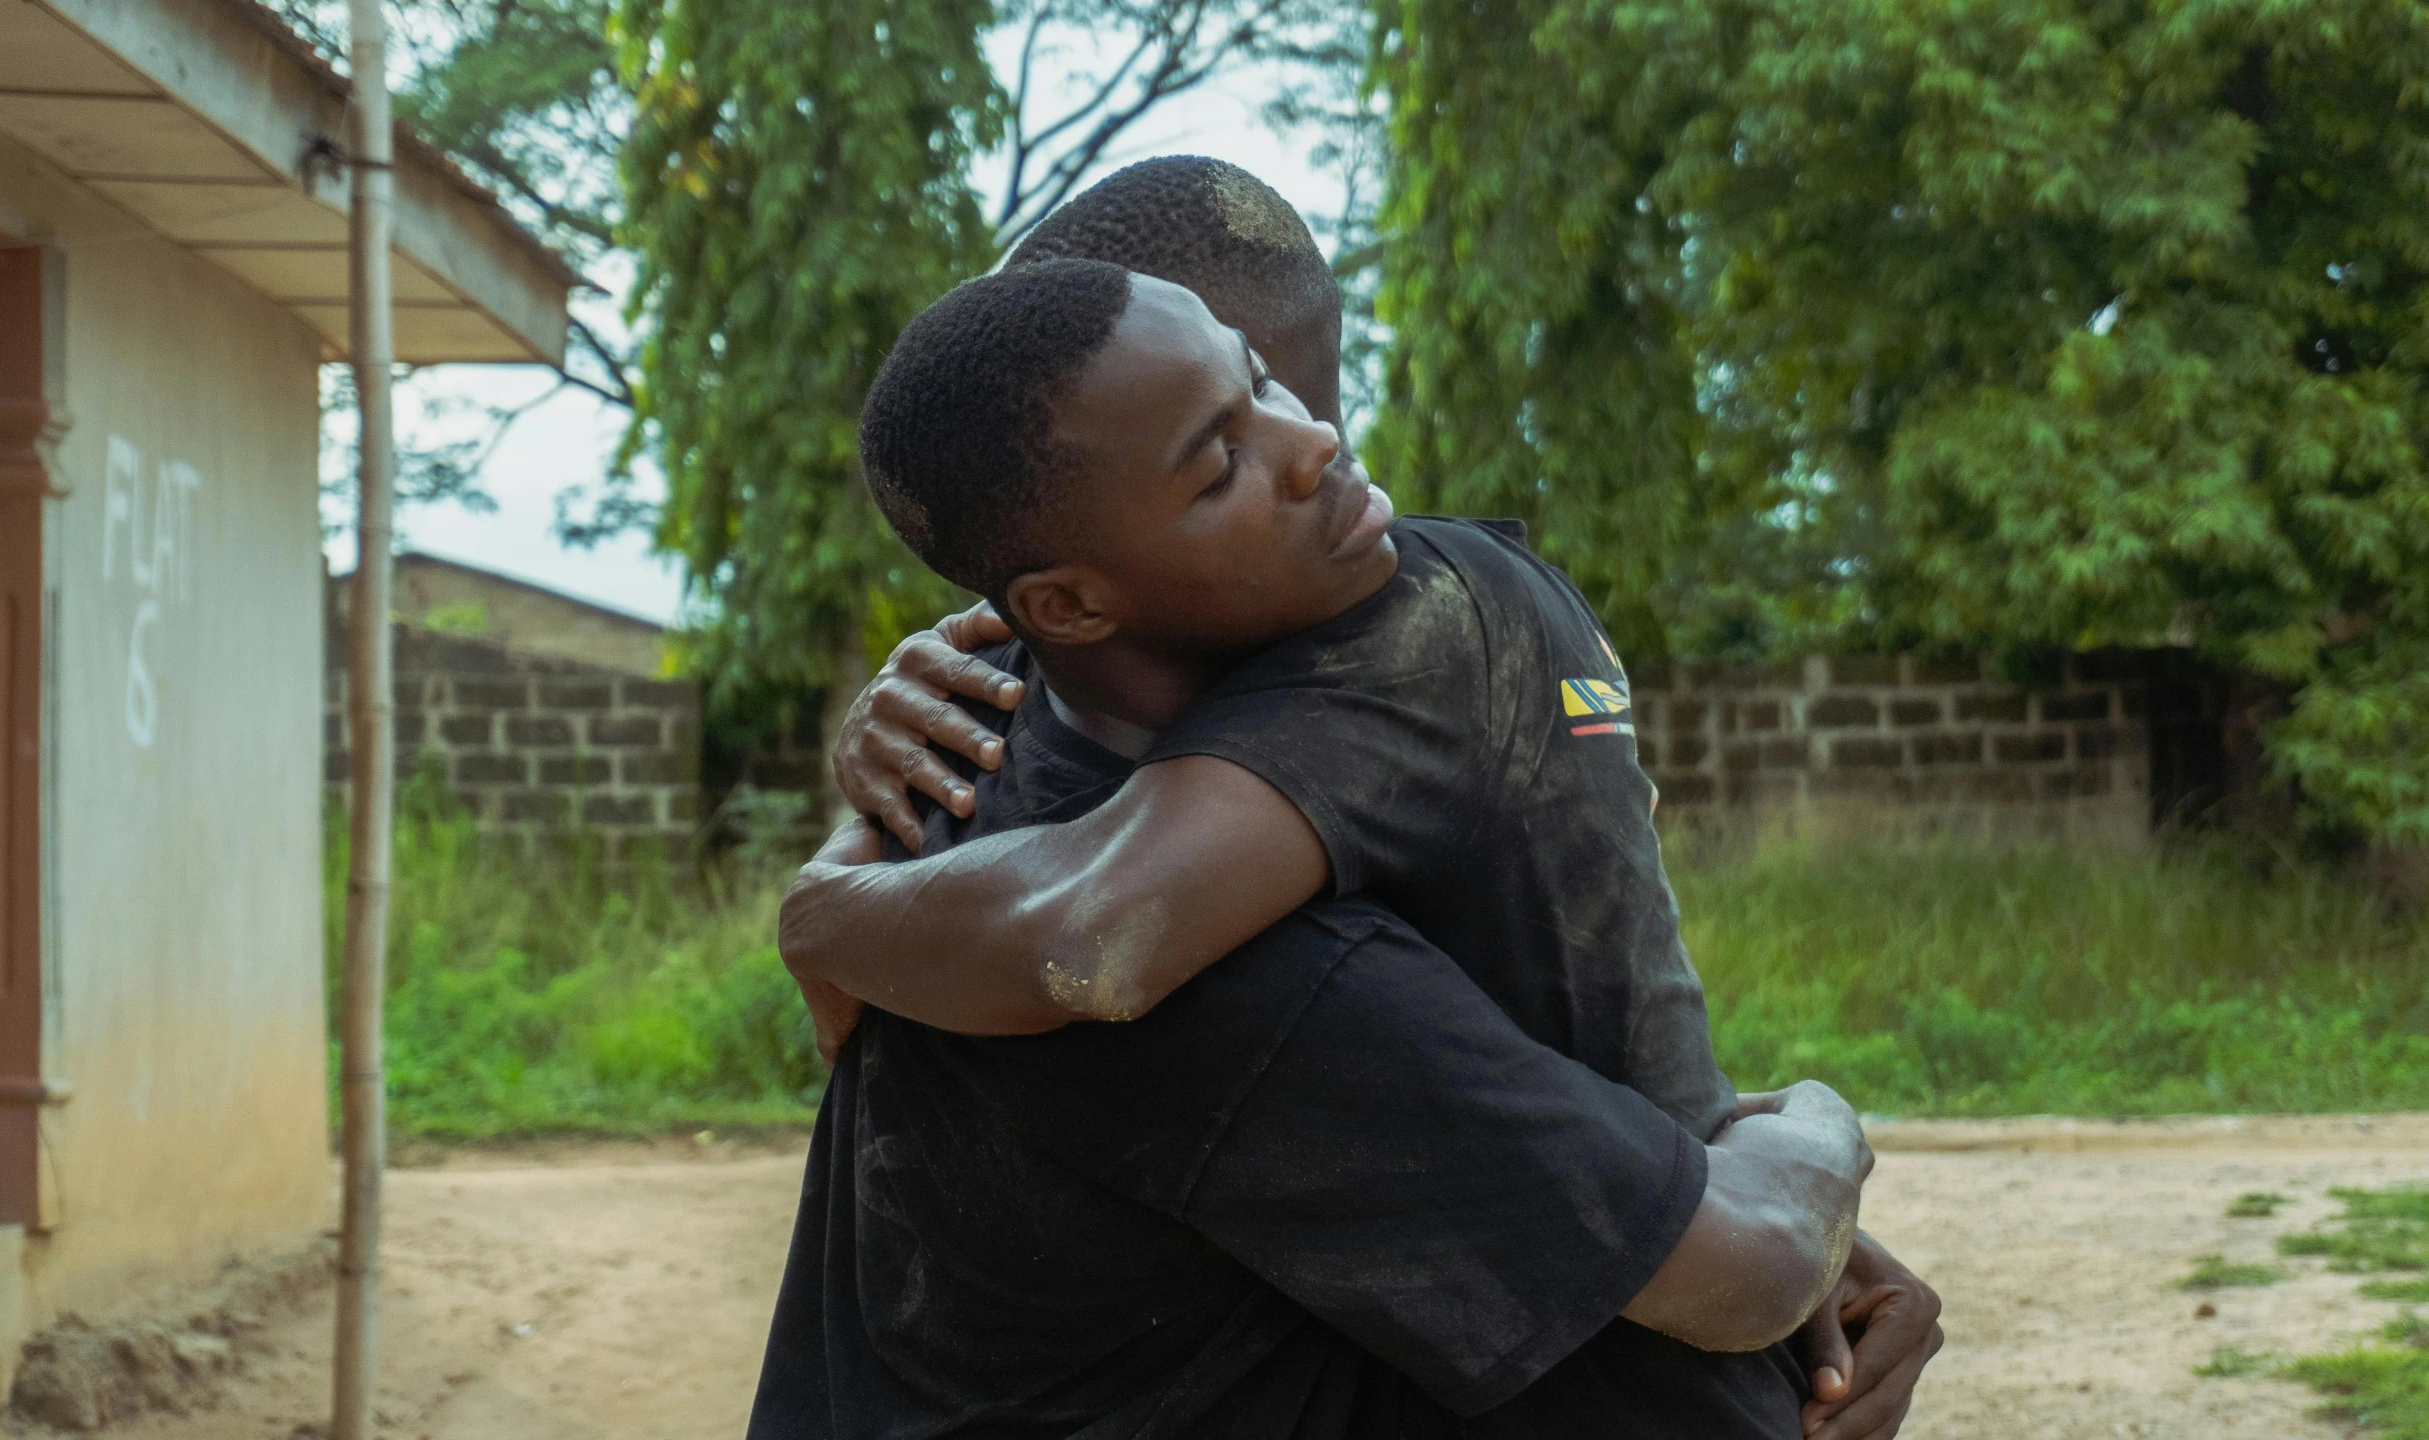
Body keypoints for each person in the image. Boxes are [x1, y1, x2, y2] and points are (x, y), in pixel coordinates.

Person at [785, 159, 1941, 1438]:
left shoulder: (976, 771)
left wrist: (838, 892)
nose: (1317, 445)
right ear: (1066, 581)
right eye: (1214, 455)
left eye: (1263, 389)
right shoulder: (1386, 710)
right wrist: (1803, 1137)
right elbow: (1089, 941)